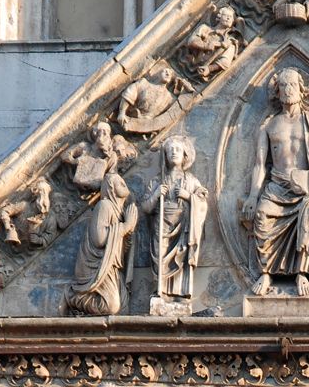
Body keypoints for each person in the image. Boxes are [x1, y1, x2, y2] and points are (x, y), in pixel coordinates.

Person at [241, 68, 309, 297]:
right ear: (277, 91)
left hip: (306, 189)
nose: (287, 90)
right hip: (277, 187)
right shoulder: (269, 125)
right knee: (263, 215)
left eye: (292, 85)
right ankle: (266, 272)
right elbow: (259, 164)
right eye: (283, 86)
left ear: (301, 90)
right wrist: (253, 196)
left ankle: (302, 272)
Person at [143, 135, 209, 302]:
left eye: (178, 149)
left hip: (182, 226)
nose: (174, 152)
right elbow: (145, 208)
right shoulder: (157, 181)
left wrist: (188, 197)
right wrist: (157, 194)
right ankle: (161, 292)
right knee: (160, 258)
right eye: (170, 150)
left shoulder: (192, 181)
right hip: (161, 226)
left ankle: (180, 294)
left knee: (182, 258)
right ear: (165, 155)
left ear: (185, 155)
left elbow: (202, 204)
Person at [64, 171, 138, 318]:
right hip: (97, 268)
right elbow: (100, 238)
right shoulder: (104, 206)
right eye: (118, 181)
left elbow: (121, 250)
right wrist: (126, 226)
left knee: (122, 307)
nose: (124, 182)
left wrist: (129, 232)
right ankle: (71, 296)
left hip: (112, 268)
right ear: (110, 187)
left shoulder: (119, 213)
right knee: (111, 306)